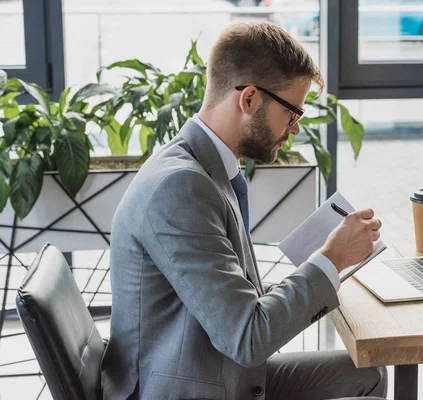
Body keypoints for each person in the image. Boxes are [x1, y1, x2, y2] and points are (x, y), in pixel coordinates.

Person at [101, 22, 386, 400]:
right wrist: (330, 259)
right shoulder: (180, 188)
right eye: (291, 113)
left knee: (368, 376)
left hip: (211, 367)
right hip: (182, 387)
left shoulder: (204, 166)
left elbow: (236, 301)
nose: (295, 129)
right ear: (249, 99)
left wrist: (328, 264)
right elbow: (247, 337)